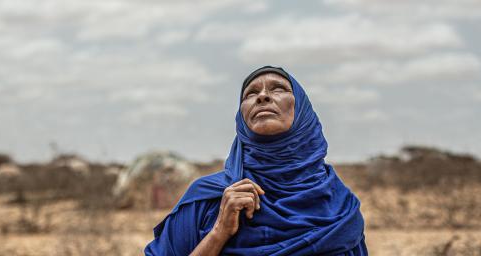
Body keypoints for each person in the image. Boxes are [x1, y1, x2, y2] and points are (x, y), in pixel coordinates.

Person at [144, 66, 367, 256]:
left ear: (303, 113)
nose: (262, 96)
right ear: (241, 118)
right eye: (250, 93)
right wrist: (218, 232)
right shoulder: (208, 198)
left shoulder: (339, 207)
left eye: (278, 88)